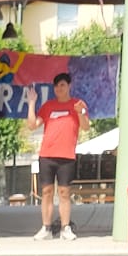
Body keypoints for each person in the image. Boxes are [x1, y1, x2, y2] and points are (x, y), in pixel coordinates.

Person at [31, 72, 88, 240]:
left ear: (69, 86)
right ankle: (46, 228)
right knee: (47, 191)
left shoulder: (78, 105)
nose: (59, 88)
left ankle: (65, 228)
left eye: (62, 85)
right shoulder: (48, 106)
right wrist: (31, 103)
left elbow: (85, 127)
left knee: (64, 192)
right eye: (56, 86)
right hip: (47, 155)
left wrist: (80, 112)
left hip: (67, 156)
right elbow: (32, 125)